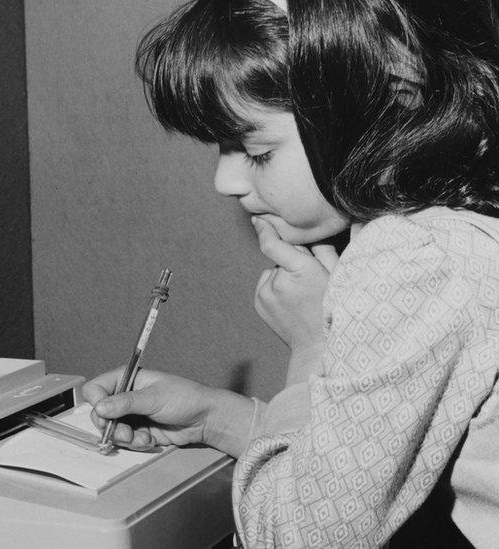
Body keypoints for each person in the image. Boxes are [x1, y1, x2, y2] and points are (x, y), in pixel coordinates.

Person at [83, 0, 499, 546]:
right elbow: (378, 461)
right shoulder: (455, 223)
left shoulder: (416, 254)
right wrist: (219, 420)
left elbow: (294, 536)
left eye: (255, 151)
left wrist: (311, 347)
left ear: (388, 104)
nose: (225, 181)